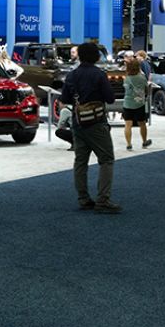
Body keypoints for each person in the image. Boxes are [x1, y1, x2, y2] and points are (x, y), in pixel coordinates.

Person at [60, 41, 120, 214]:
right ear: (95, 56)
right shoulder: (99, 74)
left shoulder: (72, 75)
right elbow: (110, 98)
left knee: (80, 161)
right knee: (106, 159)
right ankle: (103, 199)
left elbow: (65, 98)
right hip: (96, 122)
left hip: (78, 122)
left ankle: (83, 198)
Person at [120, 57, 151, 151]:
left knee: (128, 124)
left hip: (128, 103)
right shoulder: (142, 77)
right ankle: (144, 142)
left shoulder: (127, 78)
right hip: (139, 104)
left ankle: (129, 144)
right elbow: (146, 89)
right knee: (142, 124)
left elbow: (125, 89)